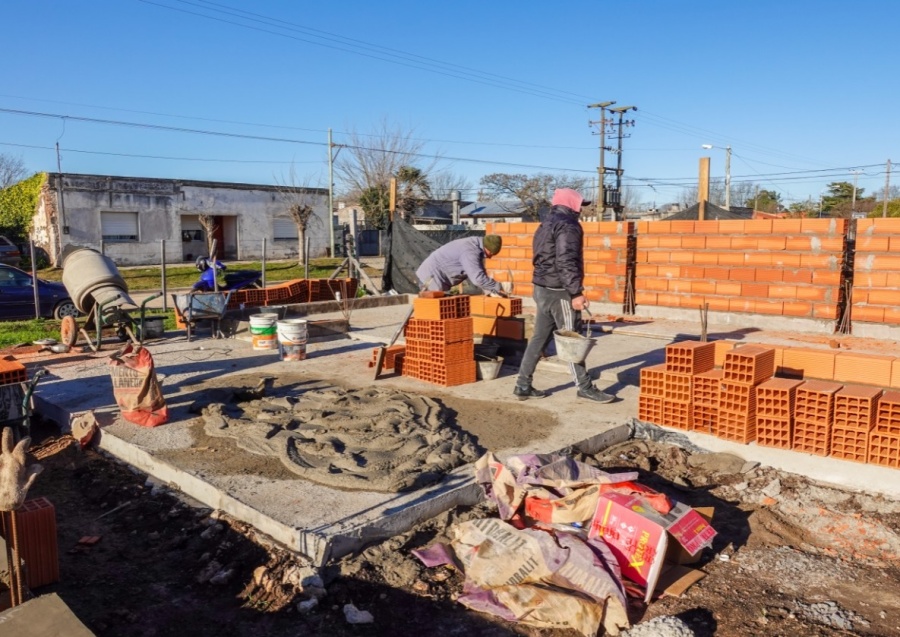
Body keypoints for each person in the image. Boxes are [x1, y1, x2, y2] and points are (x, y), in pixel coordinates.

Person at [513, 188, 615, 403]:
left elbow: (541, 257)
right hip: (559, 291)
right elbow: (566, 260)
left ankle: (522, 384)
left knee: (539, 338)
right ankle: (585, 387)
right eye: (580, 205)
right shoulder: (568, 225)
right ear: (572, 204)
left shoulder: (546, 223)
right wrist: (575, 292)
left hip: (541, 287)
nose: (582, 209)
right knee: (572, 340)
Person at [415, 235, 506, 295]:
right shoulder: (470, 251)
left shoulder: (475, 246)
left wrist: (493, 292)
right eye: (491, 254)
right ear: (488, 249)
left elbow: (480, 273)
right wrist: (499, 287)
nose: (490, 257)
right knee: (434, 315)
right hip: (431, 278)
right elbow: (477, 279)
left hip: (437, 278)